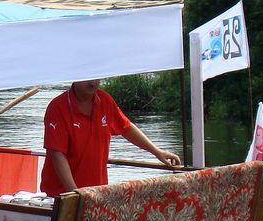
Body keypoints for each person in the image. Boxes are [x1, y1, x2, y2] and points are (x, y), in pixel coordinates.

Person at [40, 79, 181, 197]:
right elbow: (57, 154)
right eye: (87, 77)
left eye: (96, 76)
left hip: (96, 194)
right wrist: (74, 194)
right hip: (60, 196)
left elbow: (126, 128)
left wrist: (157, 152)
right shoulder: (57, 107)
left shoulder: (105, 100)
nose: (92, 82)